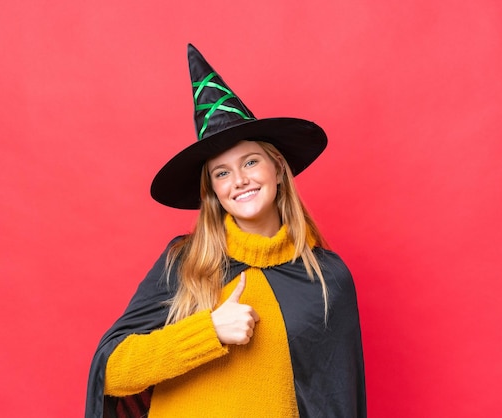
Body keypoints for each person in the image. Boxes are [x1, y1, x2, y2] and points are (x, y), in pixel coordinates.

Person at [85, 44, 366, 418]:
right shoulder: (184, 262)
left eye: (251, 161)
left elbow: (337, 400)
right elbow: (112, 373)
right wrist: (208, 332)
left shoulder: (326, 277)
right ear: (213, 192)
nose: (240, 181)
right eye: (222, 172)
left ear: (278, 169)